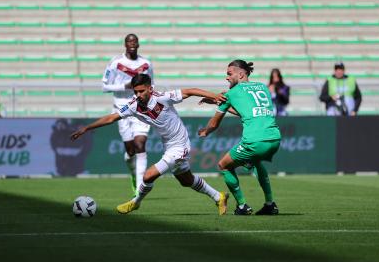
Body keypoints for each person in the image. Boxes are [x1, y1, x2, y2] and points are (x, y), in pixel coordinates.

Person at [71, 74, 229, 215]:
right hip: (168, 146)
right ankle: (218, 196)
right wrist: (87, 127)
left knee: (148, 176)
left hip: (181, 145)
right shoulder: (134, 105)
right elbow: (112, 118)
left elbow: (191, 90)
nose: (138, 95)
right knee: (186, 180)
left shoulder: (162, 97)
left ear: (150, 88)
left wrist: (214, 96)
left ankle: (136, 202)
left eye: (141, 91)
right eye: (135, 92)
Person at [198, 60, 282, 215]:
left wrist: (206, 131)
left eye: (229, 74)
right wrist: (221, 102)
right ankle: (270, 204)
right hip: (275, 138)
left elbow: (215, 123)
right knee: (256, 162)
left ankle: (242, 206)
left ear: (241, 74)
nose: (227, 78)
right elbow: (245, 111)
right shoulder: (263, 87)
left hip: (254, 141)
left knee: (224, 165)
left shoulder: (231, 93)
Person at [102, 34, 154, 195]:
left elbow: (151, 83)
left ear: (138, 44)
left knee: (140, 145)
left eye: (135, 41)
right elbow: (105, 86)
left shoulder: (146, 64)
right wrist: (125, 86)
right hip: (121, 108)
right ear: (125, 44)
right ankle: (133, 175)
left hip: (140, 107)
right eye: (129, 41)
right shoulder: (116, 62)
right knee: (130, 150)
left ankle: (140, 187)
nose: (132, 43)